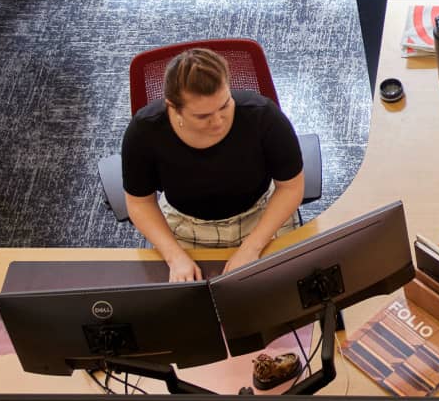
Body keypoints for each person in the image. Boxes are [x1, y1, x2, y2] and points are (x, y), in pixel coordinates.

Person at [120, 48, 307, 283]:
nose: (218, 121)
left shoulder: (263, 116)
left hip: (259, 214)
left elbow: (290, 187)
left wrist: (252, 248)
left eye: (225, 105)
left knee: (282, 291)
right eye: (202, 116)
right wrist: (174, 256)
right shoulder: (144, 131)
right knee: (178, 305)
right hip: (184, 224)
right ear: (173, 106)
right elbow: (139, 202)